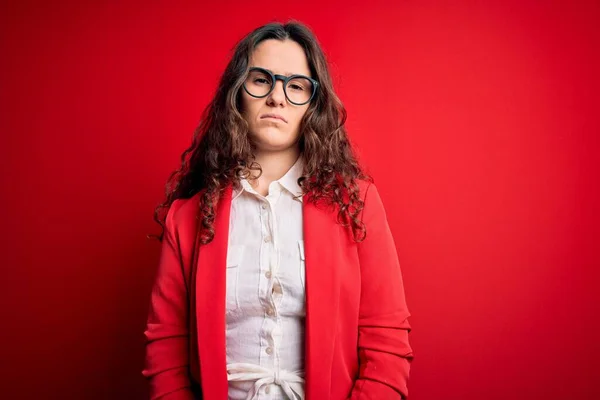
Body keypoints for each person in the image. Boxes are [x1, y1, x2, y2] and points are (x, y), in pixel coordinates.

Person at [142, 20, 414, 400]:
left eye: (296, 86)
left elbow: (386, 344)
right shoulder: (187, 217)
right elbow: (167, 350)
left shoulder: (357, 205)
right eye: (260, 80)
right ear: (237, 93)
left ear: (313, 105)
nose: (278, 97)